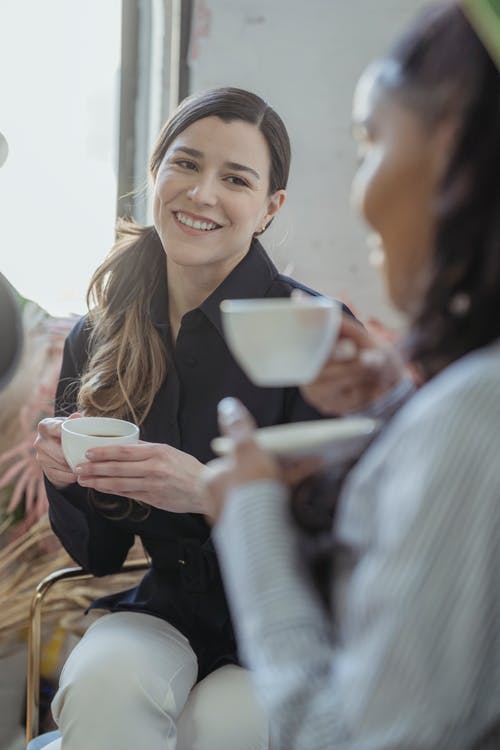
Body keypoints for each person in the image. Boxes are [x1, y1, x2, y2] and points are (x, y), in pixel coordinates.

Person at [205, 3, 500, 748]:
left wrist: (250, 514)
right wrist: (395, 411)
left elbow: (344, 736)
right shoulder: (455, 401)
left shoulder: (475, 410)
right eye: (183, 162)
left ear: (457, 142)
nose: (357, 193)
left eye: (369, 139)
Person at [34, 87, 344, 750]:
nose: (202, 194)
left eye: (235, 178)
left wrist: (209, 493)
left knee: (226, 724)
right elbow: (101, 553)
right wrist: (65, 475)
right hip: (169, 607)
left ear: (269, 209)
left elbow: (350, 530)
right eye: (185, 164)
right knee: (98, 683)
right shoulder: (99, 333)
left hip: (292, 621)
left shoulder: (313, 330)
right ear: (156, 174)